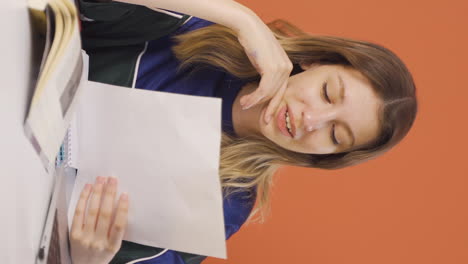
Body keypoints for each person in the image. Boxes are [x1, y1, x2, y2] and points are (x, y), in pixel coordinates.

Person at [70, 0, 418, 263]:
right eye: (328, 92)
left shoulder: (225, 204)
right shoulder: (199, 29)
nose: (311, 120)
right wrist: (239, 17)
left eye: (335, 136)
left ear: (327, 158)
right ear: (317, 61)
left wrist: (88, 259)